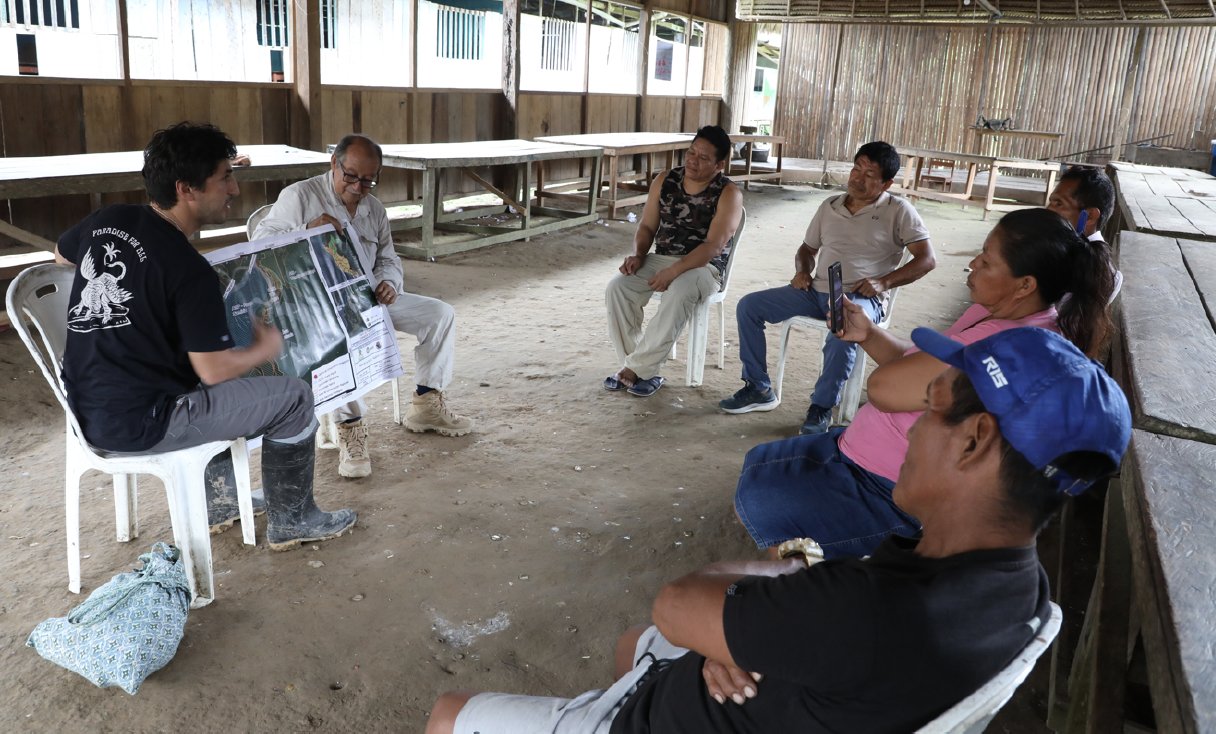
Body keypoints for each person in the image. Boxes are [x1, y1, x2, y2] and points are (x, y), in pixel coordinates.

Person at [426, 326, 1132, 733]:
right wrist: (759, 619)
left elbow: (677, 600)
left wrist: (765, 592)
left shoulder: (869, 615)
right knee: (633, 647)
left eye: (931, 408)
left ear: (976, 441)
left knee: (449, 714)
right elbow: (797, 615)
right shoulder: (1018, 590)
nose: (910, 427)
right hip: (775, 693)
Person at [734, 208, 1115, 560]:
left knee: (768, 509)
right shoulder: (994, 311)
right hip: (865, 454)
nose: (972, 264)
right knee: (758, 465)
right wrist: (867, 334)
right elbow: (917, 364)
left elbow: (883, 388)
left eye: (986, 260)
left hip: (888, 487)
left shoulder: (1007, 348)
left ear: (1024, 285)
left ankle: (811, 575)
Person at [55, 121, 355, 549]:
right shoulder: (188, 270)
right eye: (225, 178)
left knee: (194, 371)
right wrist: (264, 348)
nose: (234, 189)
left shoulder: (109, 219)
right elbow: (215, 372)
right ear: (186, 189)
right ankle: (294, 519)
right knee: (292, 398)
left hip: (88, 411)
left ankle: (221, 500)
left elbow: (60, 255)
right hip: (147, 423)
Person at [254, 133, 473, 479]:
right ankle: (350, 427)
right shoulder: (300, 196)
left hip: (368, 297)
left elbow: (388, 256)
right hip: (317, 306)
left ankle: (427, 403)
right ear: (334, 164)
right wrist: (305, 229)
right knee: (337, 336)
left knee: (440, 315)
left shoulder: (374, 208)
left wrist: (389, 282)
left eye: (368, 180)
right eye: (351, 176)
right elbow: (259, 245)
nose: (358, 187)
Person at [718, 141, 936, 435]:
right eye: (856, 168)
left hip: (861, 298)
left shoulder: (899, 211)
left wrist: (883, 282)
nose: (858, 178)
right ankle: (758, 387)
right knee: (750, 306)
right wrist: (802, 271)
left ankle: (821, 407)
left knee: (844, 328)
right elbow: (807, 249)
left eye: (869, 174)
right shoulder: (830, 205)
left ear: (886, 183)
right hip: (817, 290)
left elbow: (926, 260)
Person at [603, 125, 743, 398]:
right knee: (619, 287)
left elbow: (713, 246)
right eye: (691, 152)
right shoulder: (665, 180)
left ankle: (636, 370)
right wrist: (639, 255)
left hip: (705, 268)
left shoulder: (728, 194)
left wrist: (674, 271)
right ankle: (642, 369)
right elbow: (646, 227)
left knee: (680, 289)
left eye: (703, 158)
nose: (693, 160)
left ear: (719, 164)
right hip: (662, 258)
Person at [1046, 165, 1123, 300]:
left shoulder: (1099, 273)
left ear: (1090, 216)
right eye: (1050, 202)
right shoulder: (1060, 247)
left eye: (1058, 204)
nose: (1048, 210)